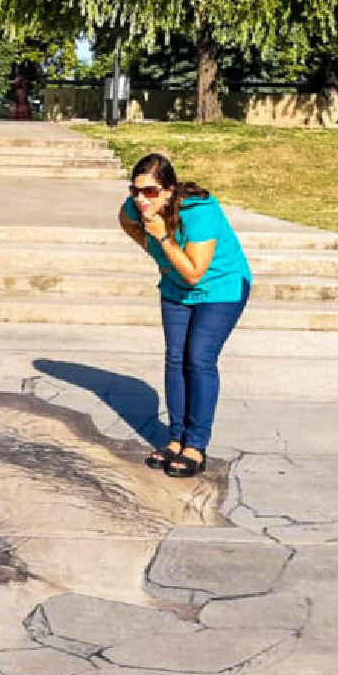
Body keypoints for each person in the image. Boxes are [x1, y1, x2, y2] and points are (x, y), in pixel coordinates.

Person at [118, 153, 252, 478]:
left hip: (221, 289)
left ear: (169, 190)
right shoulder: (134, 208)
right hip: (175, 290)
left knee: (199, 359)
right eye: (136, 190)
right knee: (175, 359)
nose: (141, 198)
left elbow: (194, 273)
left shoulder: (199, 212)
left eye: (150, 191)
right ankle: (176, 439)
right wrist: (154, 249)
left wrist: (162, 237)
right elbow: (126, 221)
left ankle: (196, 446)